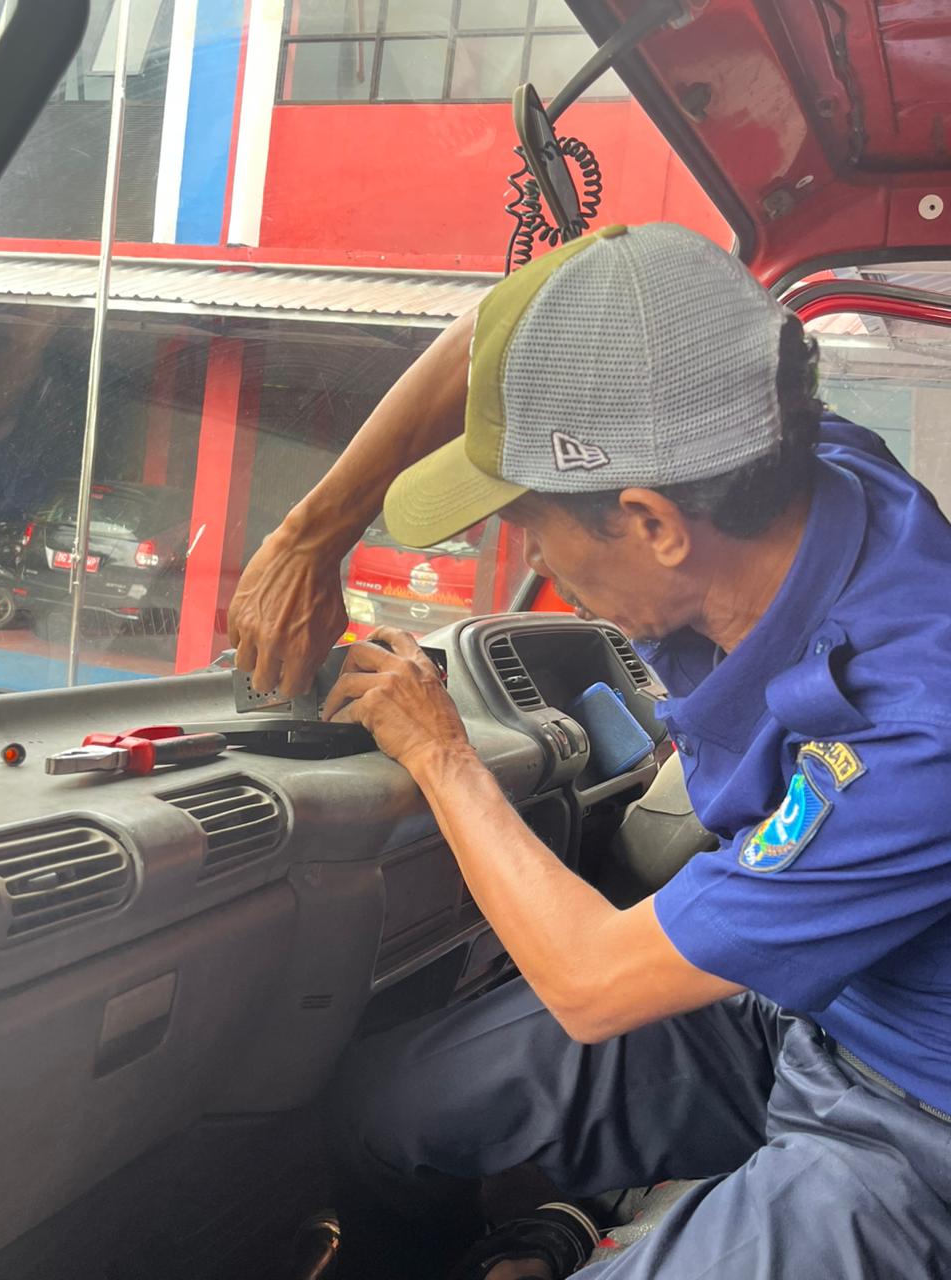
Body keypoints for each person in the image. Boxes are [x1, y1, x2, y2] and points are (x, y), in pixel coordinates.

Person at [230, 224, 951, 1279]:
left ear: (653, 523)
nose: (533, 558)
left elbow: (594, 984)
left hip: (918, 1117)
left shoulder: (917, 723)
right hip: (803, 1005)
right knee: (389, 1113)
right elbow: (508, 322)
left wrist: (441, 751)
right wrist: (311, 536)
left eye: (533, 524)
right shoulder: (788, 467)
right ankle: (548, 1235)